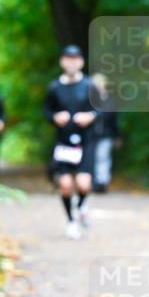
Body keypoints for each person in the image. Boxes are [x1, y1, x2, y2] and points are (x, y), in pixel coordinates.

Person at [44, 45, 98, 239]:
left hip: (86, 142)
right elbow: (47, 111)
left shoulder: (90, 85)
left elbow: (102, 109)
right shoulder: (55, 87)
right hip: (63, 143)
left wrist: (90, 116)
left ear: (81, 62)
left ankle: (82, 205)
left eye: (75, 59)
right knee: (65, 185)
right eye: (68, 58)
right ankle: (71, 221)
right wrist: (55, 117)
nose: (71, 62)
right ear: (62, 62)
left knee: (84, 184)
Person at [90, 73, 120, 193]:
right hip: (91, 135)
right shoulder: (89, 99)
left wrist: (117, 135)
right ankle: (93, 182)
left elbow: (114, 120)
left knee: (103, 157)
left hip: (106, 134)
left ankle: (102, 182)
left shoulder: (110, 100)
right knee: (92, 157)